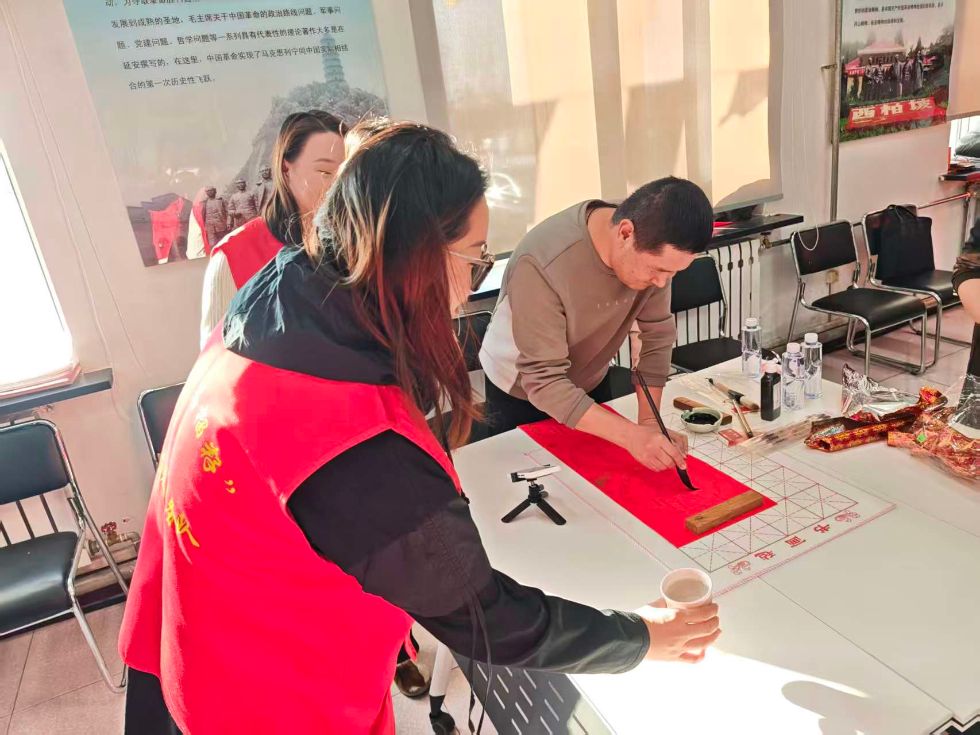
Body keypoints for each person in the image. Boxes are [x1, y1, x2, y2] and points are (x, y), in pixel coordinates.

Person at [119, 123, 721, 735]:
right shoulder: (354, 439)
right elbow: (487, 617)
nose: (475, 281)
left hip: (193, 631)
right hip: (262, 693)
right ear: (415, 254)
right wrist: (643, 637)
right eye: (475, 257)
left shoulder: (283, 296)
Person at [479, 177, 714, 474]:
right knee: (530, 486)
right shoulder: (542, 261)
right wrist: (631, 436)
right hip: (520, 390)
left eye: (672, 273)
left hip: (588, 379)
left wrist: (648, 423)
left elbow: (656, 334)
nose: (661, 283)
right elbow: (543, 380)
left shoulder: (652, 240)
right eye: (657, 270)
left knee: (597, 479)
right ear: (626, 233)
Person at [199, 109, 345, 347]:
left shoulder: (359, 241)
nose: (339, 185)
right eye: (325, 172)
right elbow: (217, 359)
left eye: (347, 172)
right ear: (286, 169)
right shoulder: (234, 255)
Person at [200, 186, 228, 253]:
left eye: (211, 190)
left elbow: (228, 211)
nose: (209, 192)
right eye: (207, 191)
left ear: (215, 191)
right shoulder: (204, 203)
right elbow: (202, 215)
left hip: (221, 225)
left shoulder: (221, 200)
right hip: (210, 227)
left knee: (223, 242)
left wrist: (228, 222)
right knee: (212, 244)